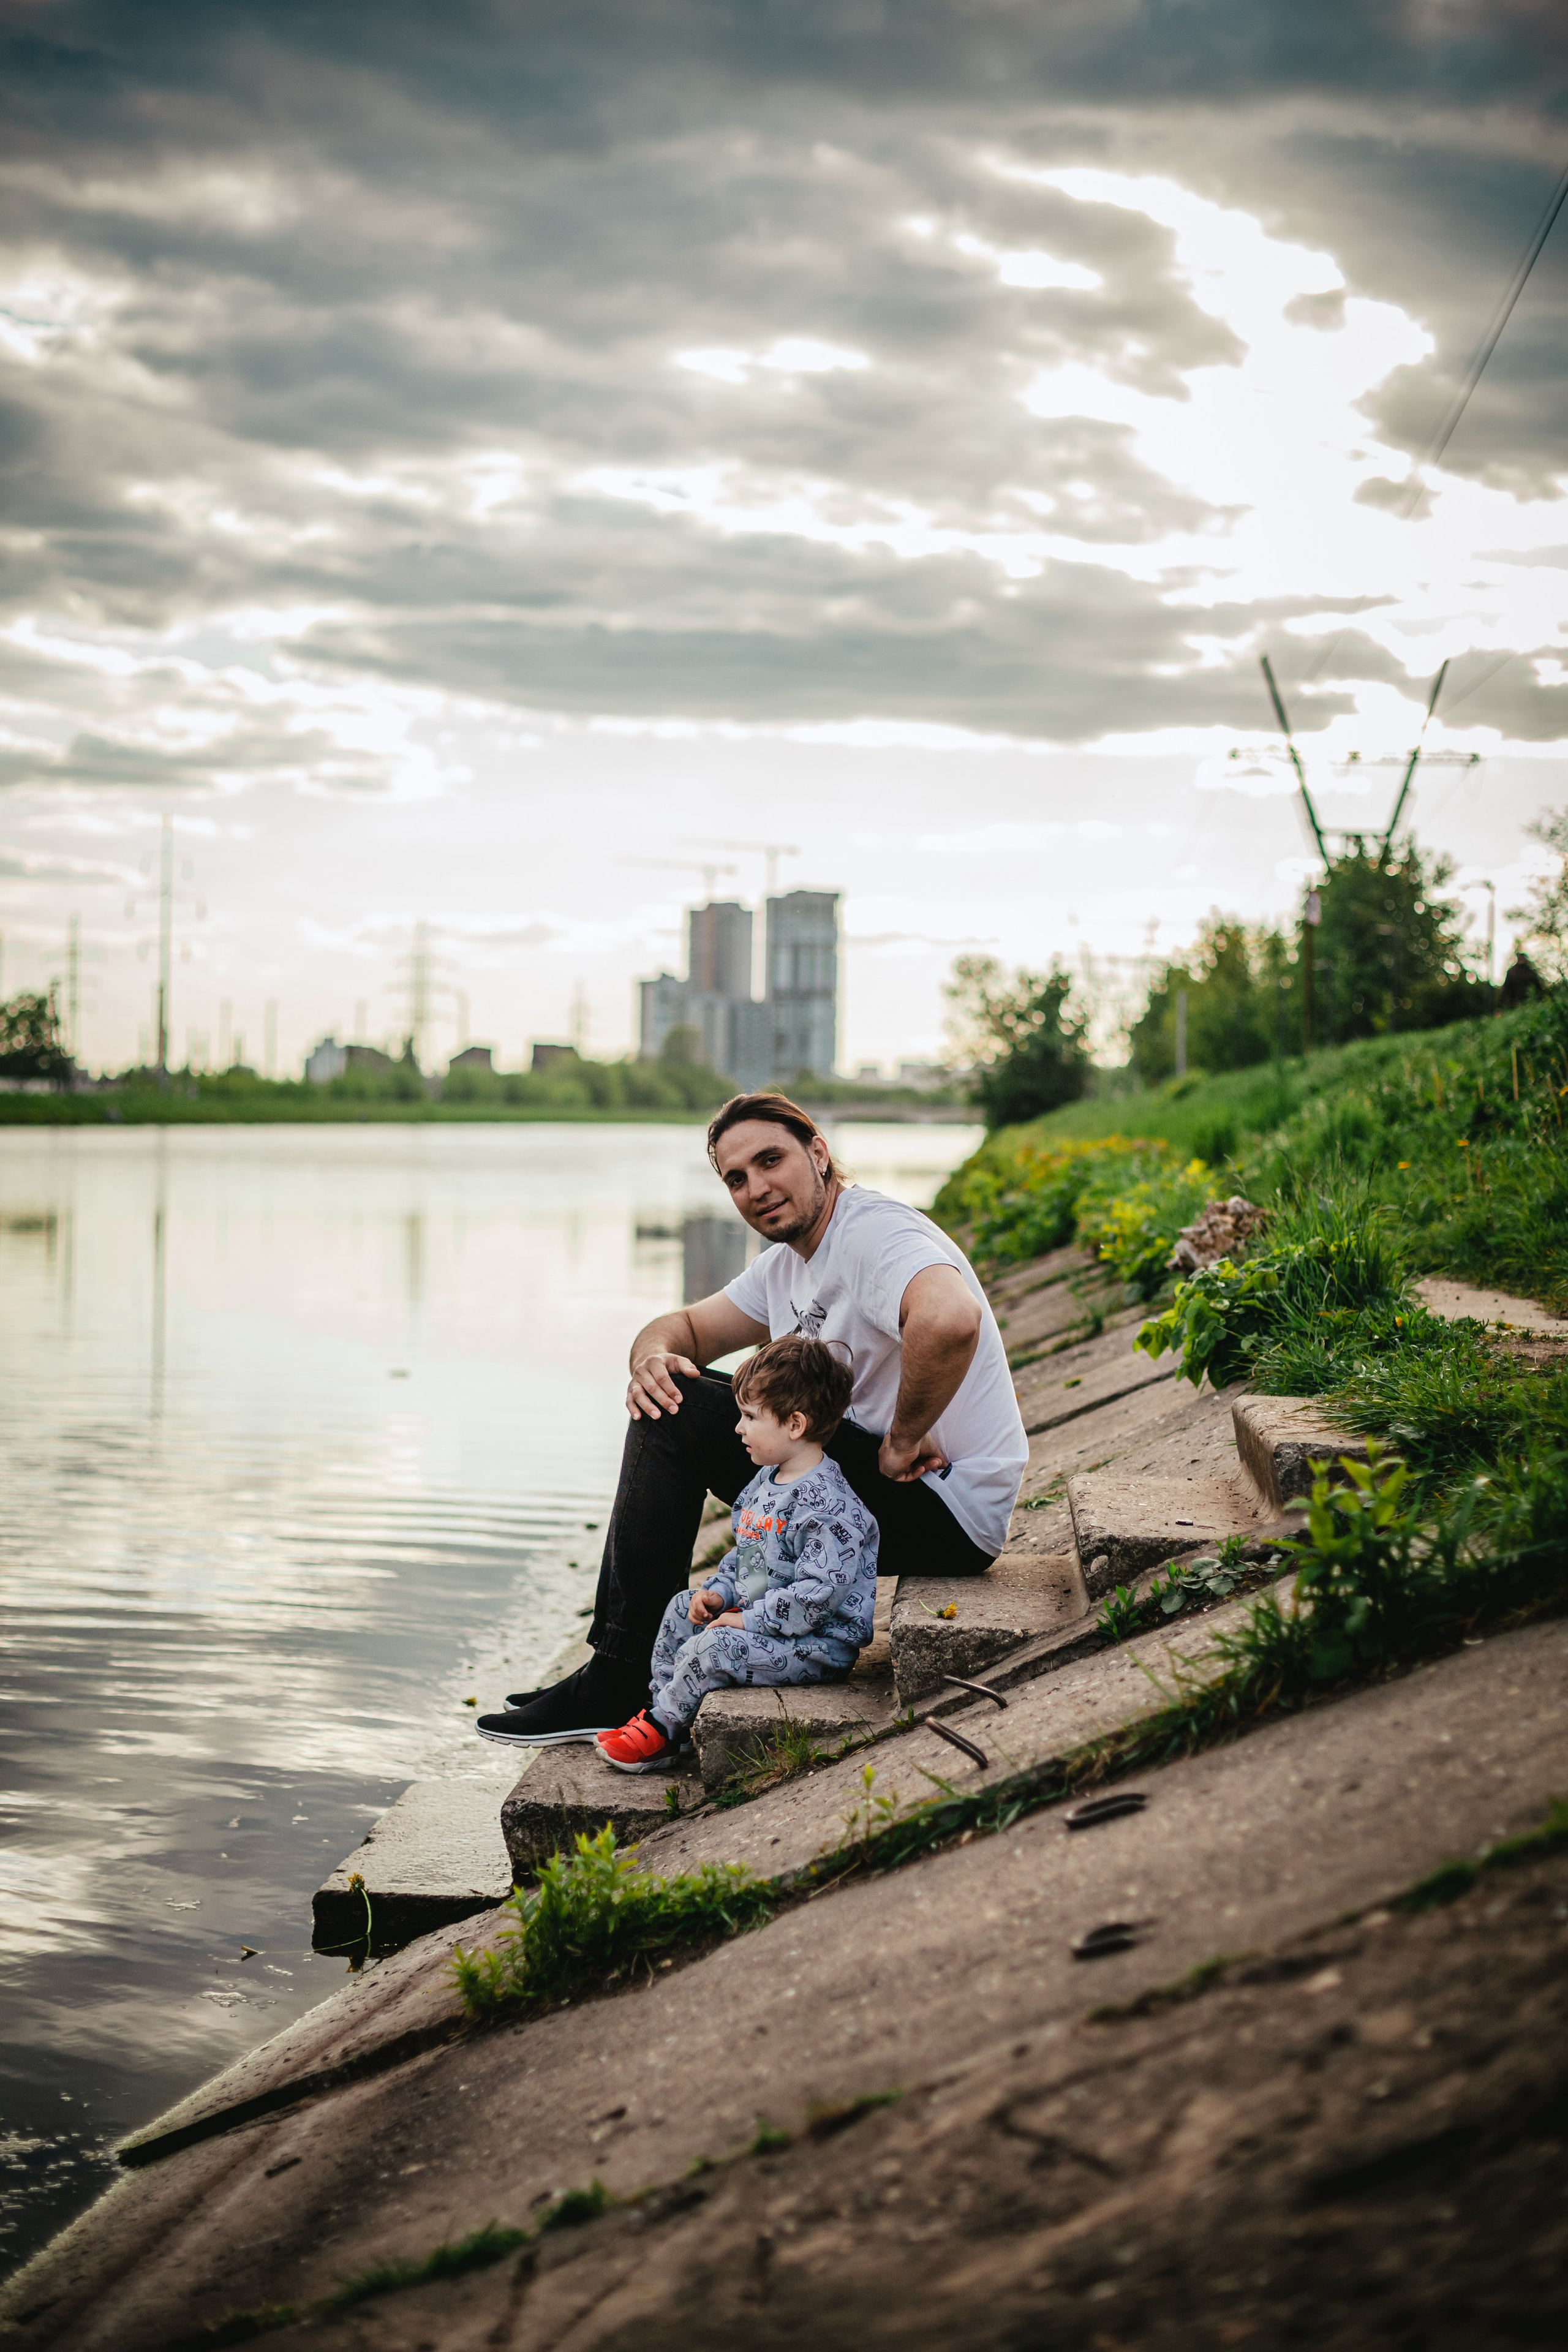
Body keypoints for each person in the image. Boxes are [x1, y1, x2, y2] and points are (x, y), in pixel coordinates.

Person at [476, 1090, 1027, 1747]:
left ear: (818, 1155)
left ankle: (620, 1672)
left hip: (943, 1513)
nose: (756, 1187)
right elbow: (679, 1328)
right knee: (675, 1388)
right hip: (868, 1505)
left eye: (771, 1160)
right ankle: (624, 1664)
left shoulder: (873, 1233)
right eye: (735, 1178)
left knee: (675, 1417)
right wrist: (651, 1358)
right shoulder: (785, 1268)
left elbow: (950, 1317)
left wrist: (902, 1439)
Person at [594, 1334, 878, 1773]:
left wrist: (746, 1620)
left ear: (795, 1425)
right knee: (680, 1609)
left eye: (749, 1417)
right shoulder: (766, 1481)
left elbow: (817, 1598)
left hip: (815, 1646)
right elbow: (750, 1560)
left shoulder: (829, 1510)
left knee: (719, 1643)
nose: (737, 1428)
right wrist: (721, 1595)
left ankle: (662, 1727)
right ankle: (666, 1716)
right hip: (766, 1622)